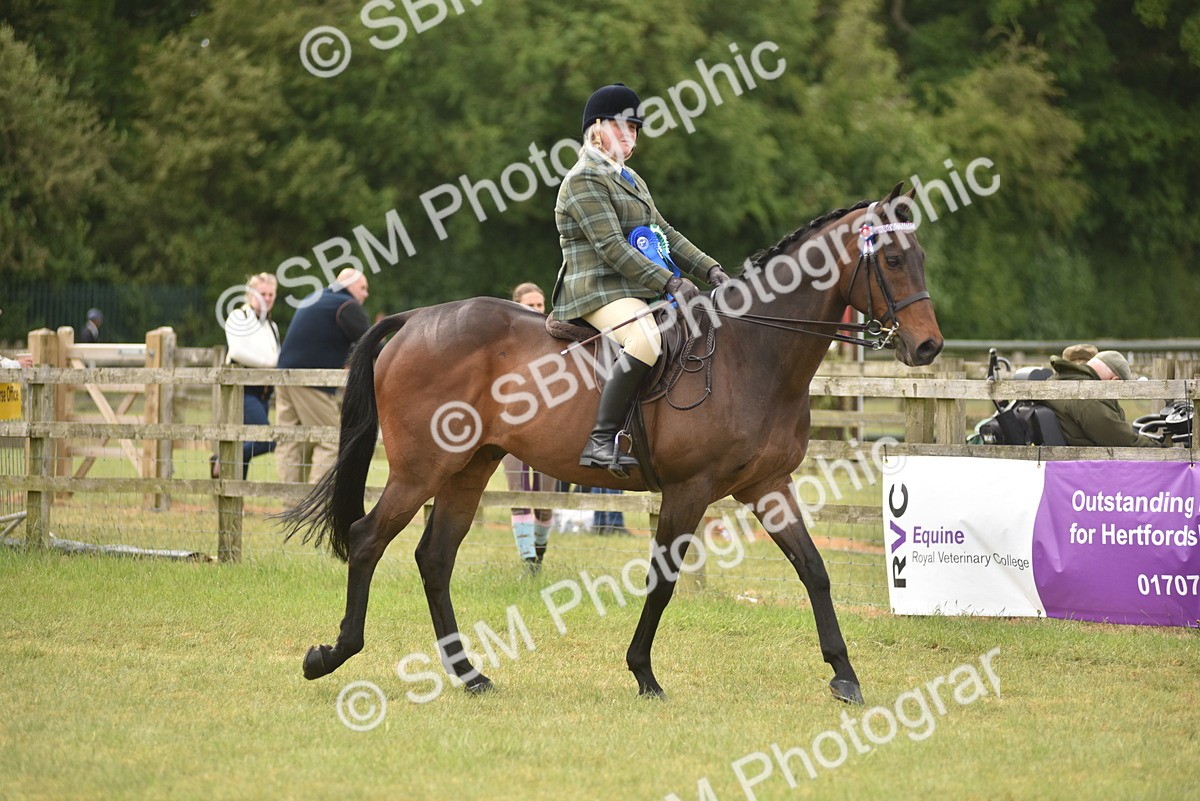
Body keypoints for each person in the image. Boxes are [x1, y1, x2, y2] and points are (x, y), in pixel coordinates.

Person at [552, 82, 732, 475]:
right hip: (595, 289)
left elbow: (665, 233)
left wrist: (711, 269)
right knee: (645, 340)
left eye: (635, 129)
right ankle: (600, 441)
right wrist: (669, 283)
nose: (631, 136)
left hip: (632, 288)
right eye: (623, 127)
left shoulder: (631, 179)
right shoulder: (584, 179)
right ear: (597, 128)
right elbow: (612, 248)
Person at [275, 268, 370, 484]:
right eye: (363, 288)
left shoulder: (316, 297)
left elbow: (323, 339)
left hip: (282, 375)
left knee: (290, 441)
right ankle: (313, 509)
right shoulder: (346, 305)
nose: (365, 294)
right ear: (349, 285)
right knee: (329, 440)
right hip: (310, 381)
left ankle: (290, 504)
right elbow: (372, 344)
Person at [502, 282, 556, 569]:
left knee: (546, 500)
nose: (537, 310)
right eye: (530, 305)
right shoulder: (504, 345)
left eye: (540, 304)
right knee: (519, 495)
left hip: (551, 431)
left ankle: (540, 553)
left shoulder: (557, 336)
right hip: (511, 430)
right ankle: (528, 561)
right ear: (516, 305)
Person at [214, 273, 280, 480]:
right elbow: (237, 352)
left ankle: (235, 494)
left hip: (263, 393)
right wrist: (271, 364)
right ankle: (222, 459)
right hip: (242, 390)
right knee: (266, 440)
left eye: (271, 294)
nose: (267, 298)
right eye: (262, 293)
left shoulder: (271, 325)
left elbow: (275, 355)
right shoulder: (238, 317)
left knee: (246, 442)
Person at [1042, 350, 1165, 447]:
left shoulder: (1064, 380)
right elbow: (1121, 439)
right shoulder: (1089, 396)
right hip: (1087, 469)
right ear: (1114, 381)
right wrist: (1159, 447)